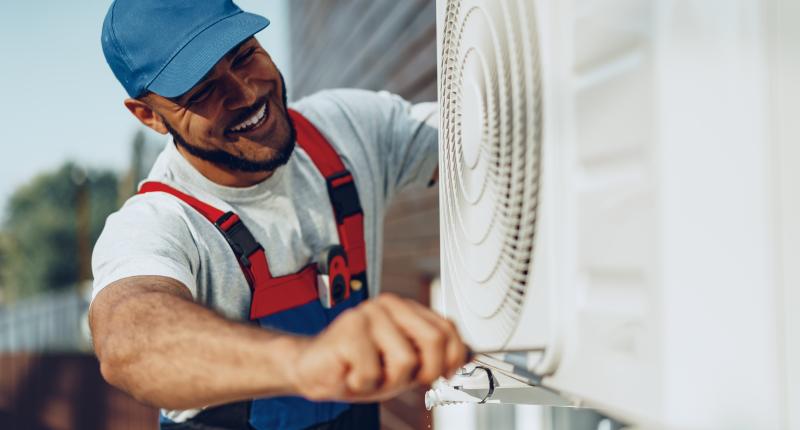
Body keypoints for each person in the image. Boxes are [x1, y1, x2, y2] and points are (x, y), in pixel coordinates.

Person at [89, 1, 468, 429]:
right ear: (149, 114)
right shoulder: (158, 222)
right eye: (201, 92)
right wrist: (307, 362)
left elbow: (489, 140)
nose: (246, 93)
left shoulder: (347, 129)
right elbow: (129, 340)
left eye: (244, 55)